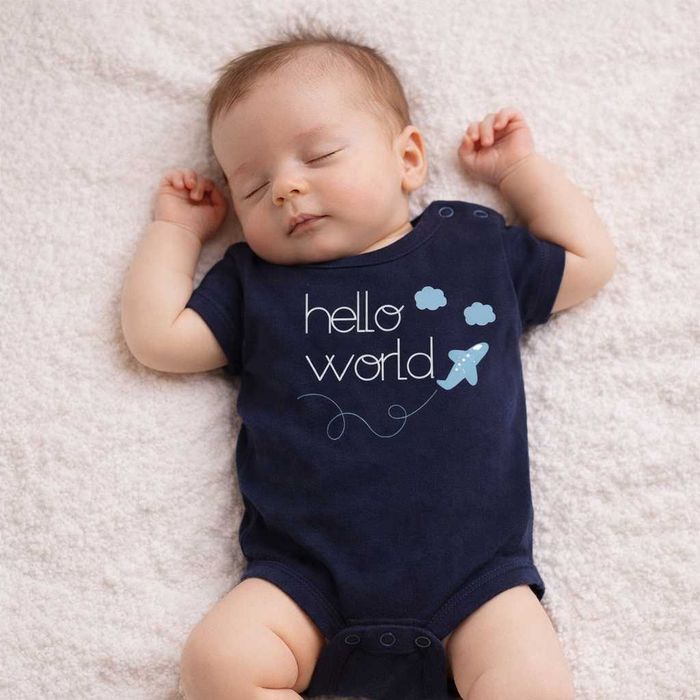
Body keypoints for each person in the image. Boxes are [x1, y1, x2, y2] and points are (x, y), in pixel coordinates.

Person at [121, 27, 616, 700]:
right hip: (305, 584)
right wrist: (175, 232)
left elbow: (588, 262)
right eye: (253, 187)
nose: (286, 188)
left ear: (407, 158)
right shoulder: (255, 286)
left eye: (320, 155)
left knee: (532, 683)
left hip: (474, 583)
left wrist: (517, 173)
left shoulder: (471, 251)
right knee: (217, 664)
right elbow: (157, 339)